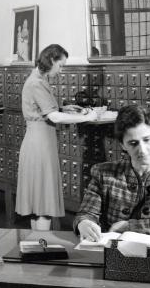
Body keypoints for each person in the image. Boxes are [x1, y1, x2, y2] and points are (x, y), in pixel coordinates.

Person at [74, 105, 150, 241]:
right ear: (122, 145)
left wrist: (130, 226)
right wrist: (83, 223)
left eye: (147, 140)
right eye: (133, 143)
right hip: (115, 253)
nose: (142, 150)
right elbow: (86, 213)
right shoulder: (103, 173)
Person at [15, 44, 97, 231]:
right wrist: (86, 117)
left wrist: (63, 108)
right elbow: (53, 117)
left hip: (39, 141)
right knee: (43, 203)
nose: (61, 71)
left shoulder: (39, 79)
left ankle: (37, 245)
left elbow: (45, 111)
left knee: (39, 202)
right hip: (40, 145)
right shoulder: (36, 82)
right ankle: (41, 246)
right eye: (60, 66)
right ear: (51, 60)